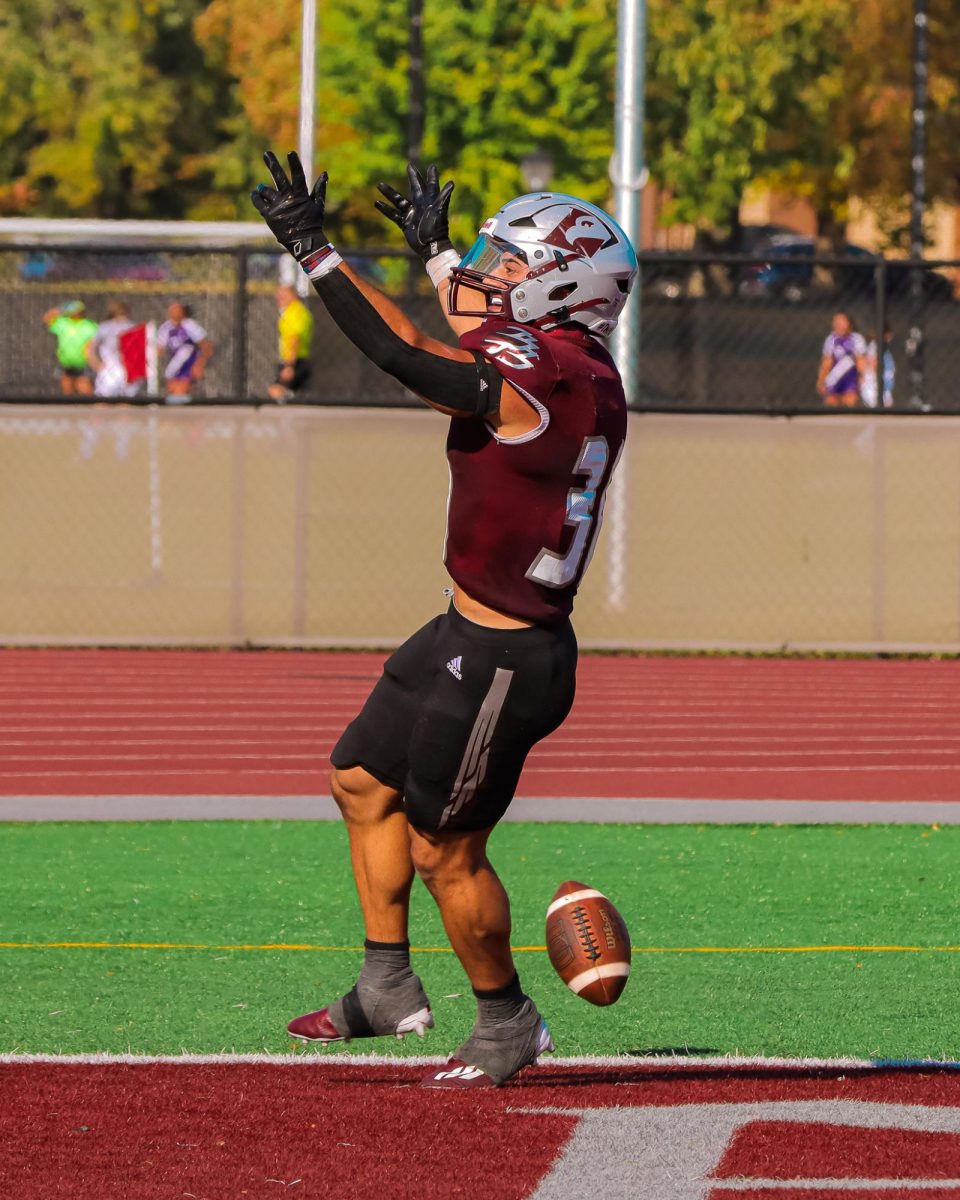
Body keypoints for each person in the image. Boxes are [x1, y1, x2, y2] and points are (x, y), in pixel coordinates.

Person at [251, 151, 636, 1088]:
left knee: (444, 848)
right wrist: (433, 253)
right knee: (359, 778)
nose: (485, 275)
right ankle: (387, 986)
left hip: (508, 652)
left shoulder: (548, 377)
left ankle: (506, 1022)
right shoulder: (565, 359)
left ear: (559, 287)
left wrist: (316, 252)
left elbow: (405, 357)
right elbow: (475, 323)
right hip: (466, 631)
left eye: (508, 263)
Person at [156, 301, 214, 404]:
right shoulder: (166, 327)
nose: (174, 313)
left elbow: (206, 346)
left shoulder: (189, 325)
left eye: (178, 310)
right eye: (172, 311)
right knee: (172, 392)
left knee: (181, 393)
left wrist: (199, 364)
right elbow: (159, 349)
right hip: (174, 365)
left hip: (188, 364)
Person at [86, 301, 143, 398]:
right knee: (127, 403)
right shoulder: (133, 327)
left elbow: (89, 348)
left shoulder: (105, 327)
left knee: (103, 401)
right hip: (127, 368)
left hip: (110, 368)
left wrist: (96, 364)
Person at [268, 284, 314, 401]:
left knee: (275, 390)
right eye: (278, 294)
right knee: (296, 393)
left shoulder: (294, 313)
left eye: (283, 294)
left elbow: (294, 340)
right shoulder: (298, 311)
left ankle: (290, 402)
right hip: (298, 361)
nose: (278, 297)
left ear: (294, 295)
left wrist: (289, 366)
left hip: (295, 361)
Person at [42, 301, 98, 396]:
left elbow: (95, 342)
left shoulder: (89, 326)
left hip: (82, 364)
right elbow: (47, 318)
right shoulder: (63, 324)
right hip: (66, 363)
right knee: (67, 389)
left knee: (84, 389)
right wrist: (61, 308)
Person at [816, 310, 867, 408]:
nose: (838, 324)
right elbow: (826, 362)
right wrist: (821, 380)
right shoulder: (831, 339)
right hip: (834, 380)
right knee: (831, 407)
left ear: (849, 323)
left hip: (850, 380)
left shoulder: (856, 339)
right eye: (835, 321)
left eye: (841, 321)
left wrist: (862, 377)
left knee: (850, 407)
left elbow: (861, 361)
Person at [861, 326, 895, 410]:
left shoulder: (884, 349)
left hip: (883, 388)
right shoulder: (874, 346)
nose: (890, 337)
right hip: (873, 387)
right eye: (888, 334)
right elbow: (873, 364)